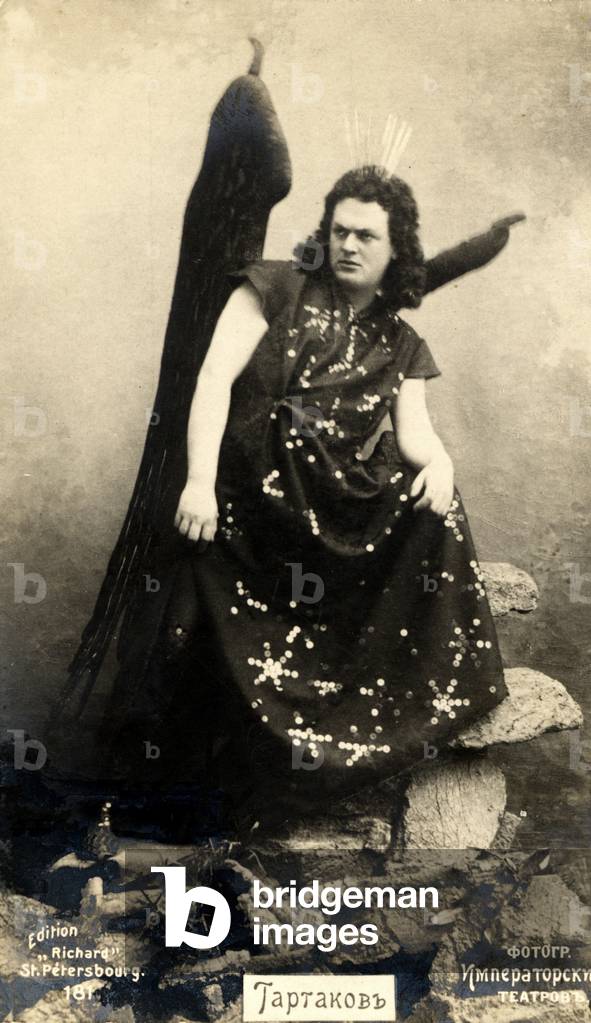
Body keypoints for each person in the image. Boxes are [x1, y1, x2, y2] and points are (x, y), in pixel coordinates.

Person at [101, 165, 510, 835]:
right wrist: (198, 481)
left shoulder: (402, 344)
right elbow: (212, 379)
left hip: (325, 516)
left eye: (367, 236)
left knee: (437, 499)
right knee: (175, 644)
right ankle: (164, 813)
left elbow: (415, 436)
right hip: (241, 509)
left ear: (396, 250)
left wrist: (440, 462)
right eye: (339, 230)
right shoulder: (272, 287)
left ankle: (321, 766)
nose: (348, 245)